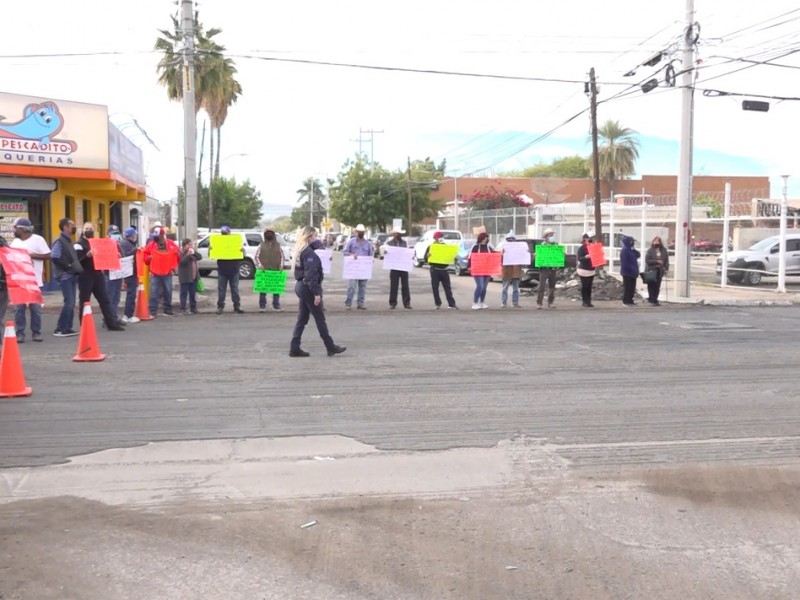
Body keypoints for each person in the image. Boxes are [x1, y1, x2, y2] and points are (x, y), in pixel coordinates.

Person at [289, 226, 346, 358]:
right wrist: (316, 294)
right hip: (308, 287)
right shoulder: (308, 253)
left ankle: (294, 347)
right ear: (310, 237)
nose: (317, 238)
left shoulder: (301, 250)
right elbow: (311, 275)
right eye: (315, 236)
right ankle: (330, 346)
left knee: (302, 318)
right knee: (320, 318)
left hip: (301, 286)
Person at [76, 222, 126, 331]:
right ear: (82, 230)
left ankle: (111, 323)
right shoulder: (79, 244)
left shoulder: (97, 243)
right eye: (86, 228)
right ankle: (84, 325)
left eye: (90, 228)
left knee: (105, 300)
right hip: (85, 276)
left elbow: (106, 255)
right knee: (84, 301)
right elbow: (77, 262)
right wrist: (87, 255)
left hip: (98, 274)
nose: (88, 230)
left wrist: (114, 255)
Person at [10, 217, 50, 342]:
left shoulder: (38, 240)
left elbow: (49, 255)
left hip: (35, 281)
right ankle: (20, 333)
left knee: (35, 309)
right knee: (18, 309)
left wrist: (30, 255)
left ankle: (36, 333)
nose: (14, 230)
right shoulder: (15, 243)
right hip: (19, 281)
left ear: (22, 229)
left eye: (15, 228)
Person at [50, 218, 80, 337]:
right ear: (65, 227)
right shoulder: (59, 241)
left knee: (71, 302)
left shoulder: (68, 241)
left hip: (71, 275)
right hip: (64, 276)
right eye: (71, 225)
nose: (73, 227)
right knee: (69, 302)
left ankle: (67, 327)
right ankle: (60, 328)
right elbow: (55, 257)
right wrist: (67, 267)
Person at [143, 226, 181, 317]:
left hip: (167, 272)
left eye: (157, 236)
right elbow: (145, 255)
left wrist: (178, 255)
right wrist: (148, 258)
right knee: (153, 292)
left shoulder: (171, 244)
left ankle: (167, 310)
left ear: (162, 235)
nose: (155, 238)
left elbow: (178, 255)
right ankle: (152, 311)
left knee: (168, 292)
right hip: (155, 273)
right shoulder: (151, 245)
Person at [214, 225, 245, 314]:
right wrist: (211, 250)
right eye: (223, 233)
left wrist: (242, 251)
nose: (224, 235)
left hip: (234, 269)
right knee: (222, 289)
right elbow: (212, 256)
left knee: (234, 289)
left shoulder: (235, 242)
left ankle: (237, 306)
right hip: (222, 270)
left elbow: (242, 255)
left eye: (226, 233)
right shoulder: (218, 243)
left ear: (229, 233)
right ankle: (220, 306)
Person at [424, 231, 458, 309]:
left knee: (447, 287)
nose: (440, 238)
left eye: (441, 237)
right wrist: (427, 256)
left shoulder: (446, 247)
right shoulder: (431, 247)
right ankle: (437, 303)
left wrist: (452, 256)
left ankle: (451, 303)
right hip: (434, 270)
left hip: (444, 269)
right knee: (435, 287)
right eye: (439, 237)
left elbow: (450, 257)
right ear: (435, 238)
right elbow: (425, 259)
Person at [255, 227, 285, 312]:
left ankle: (276, 305)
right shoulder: (261, 245)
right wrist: (260, 265)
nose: (269, 234)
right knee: (263, 289)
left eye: (270, 233)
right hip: (264, 270)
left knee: (276, 289)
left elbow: (282, 256)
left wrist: (281, 265)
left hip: (275, 270)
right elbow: (256, 257)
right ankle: (262, 306)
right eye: (267, 233)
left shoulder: (278, 245)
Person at [343, 223, 372, 310]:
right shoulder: (351, 242)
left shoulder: (368, 244)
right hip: (353, 268)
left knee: (362, 287)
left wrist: (370, 262)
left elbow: (370, 255)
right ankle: (348, 303)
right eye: (359, 232)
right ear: (356, 232)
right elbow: (345, 252)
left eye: (362, 232)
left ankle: (360, 303)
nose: (361, 233)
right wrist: (351, 255)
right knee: (351, 287)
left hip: (363, 269)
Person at [385, 227, 411, 309]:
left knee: (405, 286)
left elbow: (406, 253)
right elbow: (385, 254)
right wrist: (386, 253)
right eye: (396, 233)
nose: (398, 235)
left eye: (399, 233)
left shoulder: (404, 243)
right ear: (393, 234)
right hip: (394, 267)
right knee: (394, 286)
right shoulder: (389, 243)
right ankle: (392, 303)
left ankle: (407, 303)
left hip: (403, 267)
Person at [103, 225, 124, 322]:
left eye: (116, 234)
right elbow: (102, 260)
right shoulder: (104, 245)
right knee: (109, 298)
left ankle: (114, 317)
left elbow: (123, 258)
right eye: (113, 234)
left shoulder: (119, 245)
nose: (115, 237)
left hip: (118, 274)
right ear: (108, 235)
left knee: (116, 297)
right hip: (109, 275)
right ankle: (108, 319)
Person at [120, 227, 140, 324]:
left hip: (131, 271)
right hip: (130, 272)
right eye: (134, 235)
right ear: (131, 236)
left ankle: (128, 314)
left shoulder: (127, 243)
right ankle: (128, 315)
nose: (135, 237)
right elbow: (127, 255)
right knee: (131, 294)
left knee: (131, 294)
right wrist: (136, 250)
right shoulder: (126, 244)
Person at [536, 228, 559, 309]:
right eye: (550, 235)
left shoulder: (556, 245)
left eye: (553, 235)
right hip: (544, 268)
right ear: (546, 237)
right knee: (541, 286)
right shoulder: (542, 246)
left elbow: (558, 256)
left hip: (553, 268)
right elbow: (538, 256)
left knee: (552, 286)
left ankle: (551, 302)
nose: (552, 236)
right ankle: (539, 303)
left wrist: (561, 254)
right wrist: (537, 255)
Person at [469, 232, 493, 309]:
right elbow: (470, 256)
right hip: (477, 269)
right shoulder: (475, 247)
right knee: (480, 286)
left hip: (487, 269)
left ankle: (482, 302)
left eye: (487, 238)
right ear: (482, 238)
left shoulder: (489, 247)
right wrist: (469, 266)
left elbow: (494, 255)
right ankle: (475, 302)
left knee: (484, 287)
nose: (487, 239)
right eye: (486, 237)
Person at [177, 238, 201, 315]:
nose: (191, 246)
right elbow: (182, 262)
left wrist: (194, 252)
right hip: (185, 277)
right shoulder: (181, 253)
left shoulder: (193, 253)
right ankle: (182, 309)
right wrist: (188, 255)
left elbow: (199, 257)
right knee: (184, 294)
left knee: (193, 294)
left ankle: (193, 308)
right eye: (189, 245)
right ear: (184, 246)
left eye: (191, 244)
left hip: (193, 277)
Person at [644, 235, 670, 306]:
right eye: (655, 241)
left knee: (657, 286)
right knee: (651, 285)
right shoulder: (650, 250)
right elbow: (647, 261)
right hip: (651, 270)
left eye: (657, 241)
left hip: (660, 270)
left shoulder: (664, 250)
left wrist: (666, 268)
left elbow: (666, 260)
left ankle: (655, 299)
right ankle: (651, 299)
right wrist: (657, 261)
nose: (656, 242)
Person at [499, 230, 522, 308]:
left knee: (516, 288)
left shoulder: (519, 248)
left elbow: (523, 258)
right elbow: (501, 259)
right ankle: (503, 302)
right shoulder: (504, 248)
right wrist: (503, 254)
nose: (511, 241)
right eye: (509, 239)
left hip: (516, 270)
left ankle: (515, 302)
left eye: (512, 239)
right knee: (505, 288)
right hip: (507, 270)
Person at [620, 235, 641, 307]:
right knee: (627, 287)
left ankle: (630, 300)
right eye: (632, 241)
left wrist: (633, 249)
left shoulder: (631, 250)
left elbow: (638, 255)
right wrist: (632, 268)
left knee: (632, 287)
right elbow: (625, 263)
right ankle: (626, 301)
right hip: (627, 272)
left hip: (633, 273)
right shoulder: (624, 250)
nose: (633, 243)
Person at [576, 232, 596, 308]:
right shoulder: (582, 248)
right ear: (584, 239)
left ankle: (589, 301)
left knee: (589, 286)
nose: (590, 240)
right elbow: (579, 258)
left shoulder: (593, 247)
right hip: (584, 270)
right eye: (588, 238)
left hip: (591, 269)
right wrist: (586, 257)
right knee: (585, 286)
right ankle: (585, 301)